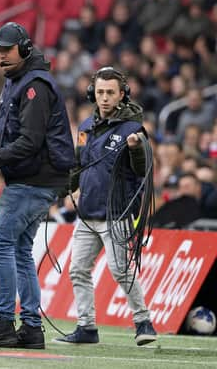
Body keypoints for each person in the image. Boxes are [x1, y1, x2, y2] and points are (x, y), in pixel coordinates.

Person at [0, 22, 75, 349]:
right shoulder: (17, 81)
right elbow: (14, 127)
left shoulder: (35, 85)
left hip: (35, 179)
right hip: (35, 178)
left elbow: (30, 141)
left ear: (24, 49)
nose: (0, 56)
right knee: (21, 251)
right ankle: (32, 329)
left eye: (6, 50)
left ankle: (3, 322)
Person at [54, 66, 157, 346]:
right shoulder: (86, 127)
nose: (104, 98)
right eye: (100, 92)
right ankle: (86, 327)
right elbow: (77, 166)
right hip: (87, 213)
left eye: (110, 92)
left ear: (122, 94)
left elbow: (143, 169)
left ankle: (143, 321)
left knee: (120, 269)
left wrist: (136, 148)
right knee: (78, 269)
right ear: (92, 93)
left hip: (117, 212)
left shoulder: (133, 130)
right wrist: (58, 192)